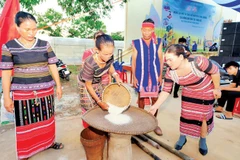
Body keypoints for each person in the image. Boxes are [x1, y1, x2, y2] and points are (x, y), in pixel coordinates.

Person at [0, 11, 63, 160]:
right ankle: (26, 151)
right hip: (22, 94)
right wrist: (7, 96)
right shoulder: (9, 47)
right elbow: (7, 73)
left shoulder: (44, 45)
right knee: (25, 123)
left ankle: (48, 142)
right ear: (17, 27)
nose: (31, 32)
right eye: (27, 29)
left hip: (45, 91)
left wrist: (58, 85)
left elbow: (53, 65)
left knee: (47, 119)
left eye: (34, 29)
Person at [149, 44, 221, 156]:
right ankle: (183, 137)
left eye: (170, 59)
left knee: (203, 118)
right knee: (186, 115)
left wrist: (217, 89)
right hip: (189, 91)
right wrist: (155, 106)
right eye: (166, 59)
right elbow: (166, 90)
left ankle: (203, 139)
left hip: (206, 91)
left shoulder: (199, 61)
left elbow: (215, 72)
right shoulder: (170, 72)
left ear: (181, 57)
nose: (167, 62)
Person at [132, 18, 163, 136]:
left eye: (149, 30)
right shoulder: (136, 43)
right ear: (141, 30)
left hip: (155, 75)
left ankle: (154, 123)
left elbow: (161, 59)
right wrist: (134, 77)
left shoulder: (158, 42)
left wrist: (160, 75)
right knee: (141, 99)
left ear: (152, 30)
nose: (146, 33)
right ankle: (140, 122)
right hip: (141, 75)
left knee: (155, 100)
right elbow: (134, 61)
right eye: (144, 30)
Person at [78, 34, 122, 118]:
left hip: (97, 80)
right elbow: (88, 85)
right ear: (97, 50)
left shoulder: (109, 56)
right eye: (106, 54)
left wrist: (116, 75)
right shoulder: (90, 63)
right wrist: (98, 101)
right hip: (85, 84)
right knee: (89, 106)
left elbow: (110, 65)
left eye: (111, 53)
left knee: (102, 100)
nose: (109, 56)